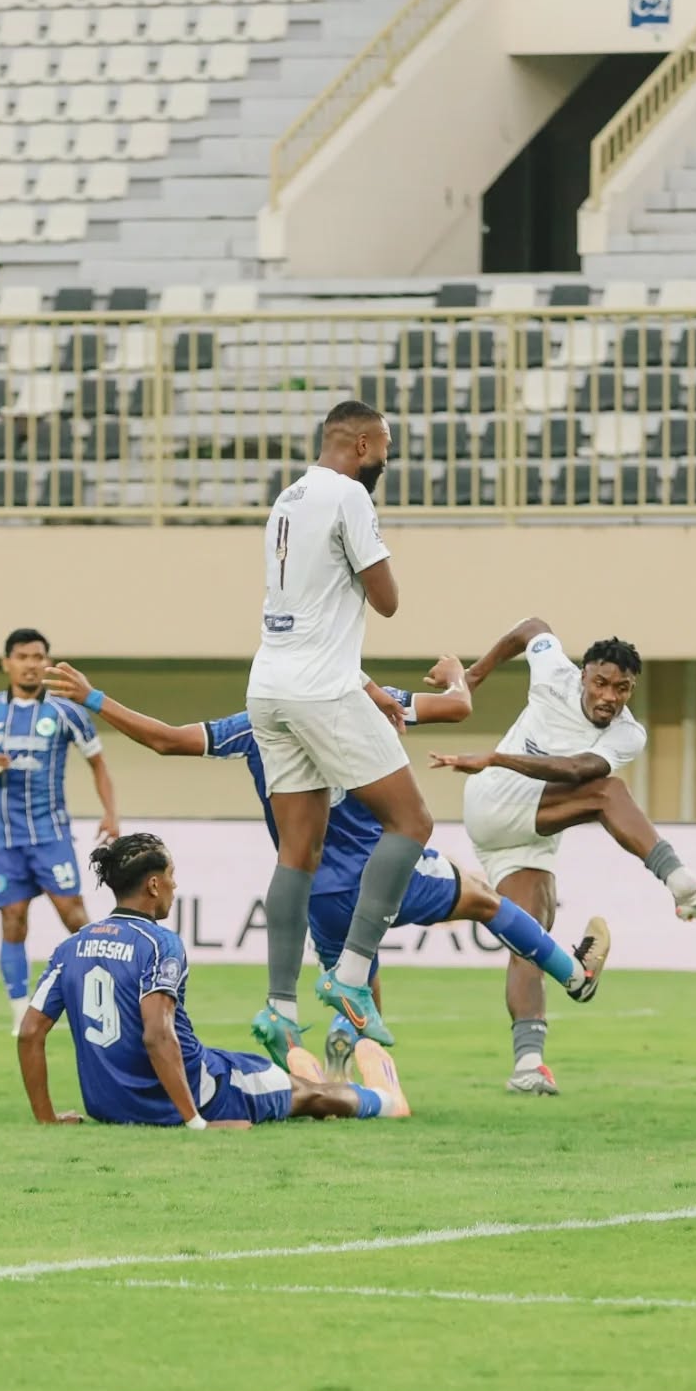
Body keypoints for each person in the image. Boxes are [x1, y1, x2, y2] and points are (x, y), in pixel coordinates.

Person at [41, 660, 611, 1078]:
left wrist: (95, 699)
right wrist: (458, 673)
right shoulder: (362, 701)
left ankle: (339, 1081)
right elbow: (458, 706)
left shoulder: (256, 724)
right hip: (380, 871)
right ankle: (573, 975)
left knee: (360, 983)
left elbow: (166, 741)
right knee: (483, 898)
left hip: (312, 890)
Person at [431, 617, 696, 1095]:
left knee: (530, 944)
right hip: (496, 801)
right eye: (601, 683)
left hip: (530, 832)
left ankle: (529, 1064)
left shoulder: (628, 733)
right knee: (608, 794)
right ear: (582, 674)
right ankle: (682, 885)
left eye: (622, 688)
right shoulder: (552, 672)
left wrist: (498, 754)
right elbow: (532, 627)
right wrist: (474, 677)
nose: (609, 696)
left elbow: (574, 769)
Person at [246, 399, 434, 1053]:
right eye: (383, 447)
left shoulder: (286, 499)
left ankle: (276, 1005)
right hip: (320, 691)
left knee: (297, 850)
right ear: (359, 443)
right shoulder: (349, 496)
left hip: (267, 686)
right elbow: (386, 602)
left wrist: (366, 684)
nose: (386, 459)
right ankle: (351, 976)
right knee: (412, 823)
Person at [18, 833, 409, 1128]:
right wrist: (196, 1123)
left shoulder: (72, 946)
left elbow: (30, 1033)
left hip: (109, 1106)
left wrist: (46, 1120)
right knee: (305, 1096)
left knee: (270, 1075)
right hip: (200, 1093)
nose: (175, 886)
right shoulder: (159, 944)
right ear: (154, 885)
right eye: (172, 877)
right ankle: (387, 1100)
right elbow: (157, 1035)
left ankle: (308, 1074)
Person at [0, 627, 118, 1034]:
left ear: (47, 663)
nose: (31, 664)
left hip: (51, 834)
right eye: (23, 656)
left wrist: (110, 813)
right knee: (13, 919)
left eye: (38, 657)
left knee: (75, 916)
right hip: (5, 837)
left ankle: (99, 998)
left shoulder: (67, 712)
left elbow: (97, 763)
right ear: (7, 663)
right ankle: (19, 1010)